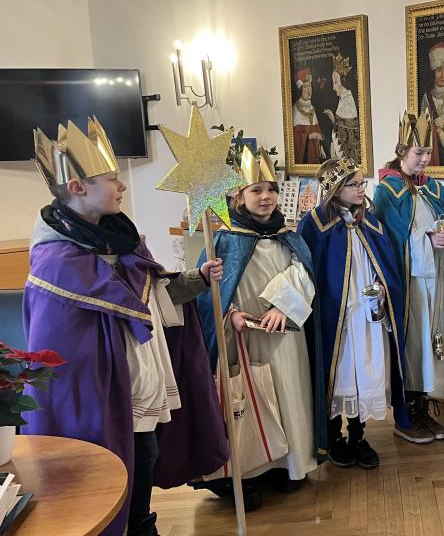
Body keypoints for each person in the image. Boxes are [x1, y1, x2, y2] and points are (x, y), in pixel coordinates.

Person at [22, 118, 229, 536]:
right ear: (78, 187)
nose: (121, 186)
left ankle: (141, 524)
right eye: (111, 179)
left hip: (137, 380)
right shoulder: (55, 262)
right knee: (110, 464)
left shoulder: (120, 238)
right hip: (98, 393)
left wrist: (196, 280)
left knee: (145, 454)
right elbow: (61, 344)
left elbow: (150, 297)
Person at [195, 147, 318, 505]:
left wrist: (283, 304)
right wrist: (230, 313)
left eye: (271, 189)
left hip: (283, 334)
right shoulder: (226, 237)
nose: (266, 197)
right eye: (256, 190)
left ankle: (289, 464)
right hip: (242, 336)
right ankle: (247, 471)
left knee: (287, 392)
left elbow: (304, 272)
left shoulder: (286, 233)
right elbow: (210, 289)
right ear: (239, 195)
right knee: (248, 398)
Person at [298, 158, 410, 469]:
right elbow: (306, 271)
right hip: (336, 319)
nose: (362, 189)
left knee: (364, 372)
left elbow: (387, 265)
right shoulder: (314, 225)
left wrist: (383, 287)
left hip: (367, 317)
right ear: (335, 188)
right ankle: (334, 437)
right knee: (339, 374)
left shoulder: (370, 222)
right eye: (354, 184)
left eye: (363, 183)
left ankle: (358, 437)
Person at [373, 111, 444, 444]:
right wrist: (425, 240)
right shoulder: (388, 190)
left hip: (437, 277)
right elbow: (387, 240)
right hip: (410, 282)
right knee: (413, 344)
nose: (425, 159)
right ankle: (405, 415)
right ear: (401, 152)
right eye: (418, 153)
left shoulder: (434, 188)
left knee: (431, 343)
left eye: (428, 152)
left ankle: (422, 407)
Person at [323, 53, 362, 164]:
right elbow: (341, 127)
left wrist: (333, 119)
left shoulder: (347, 101)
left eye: (336, 82)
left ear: (343, 81)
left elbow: (348, 135)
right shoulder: (343, 99)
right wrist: (333, 118)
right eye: (333, 83)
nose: (333, 87)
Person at [292, 68, 326, 164]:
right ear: (300, 90)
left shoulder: (311, 108)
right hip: (304, 155)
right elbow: (294, 137)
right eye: (305, 87)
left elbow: (318, 130)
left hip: (315, 152)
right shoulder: (295, 110)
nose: (309, 90)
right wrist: (310, 136)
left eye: (310, 86)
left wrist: (321, 148)